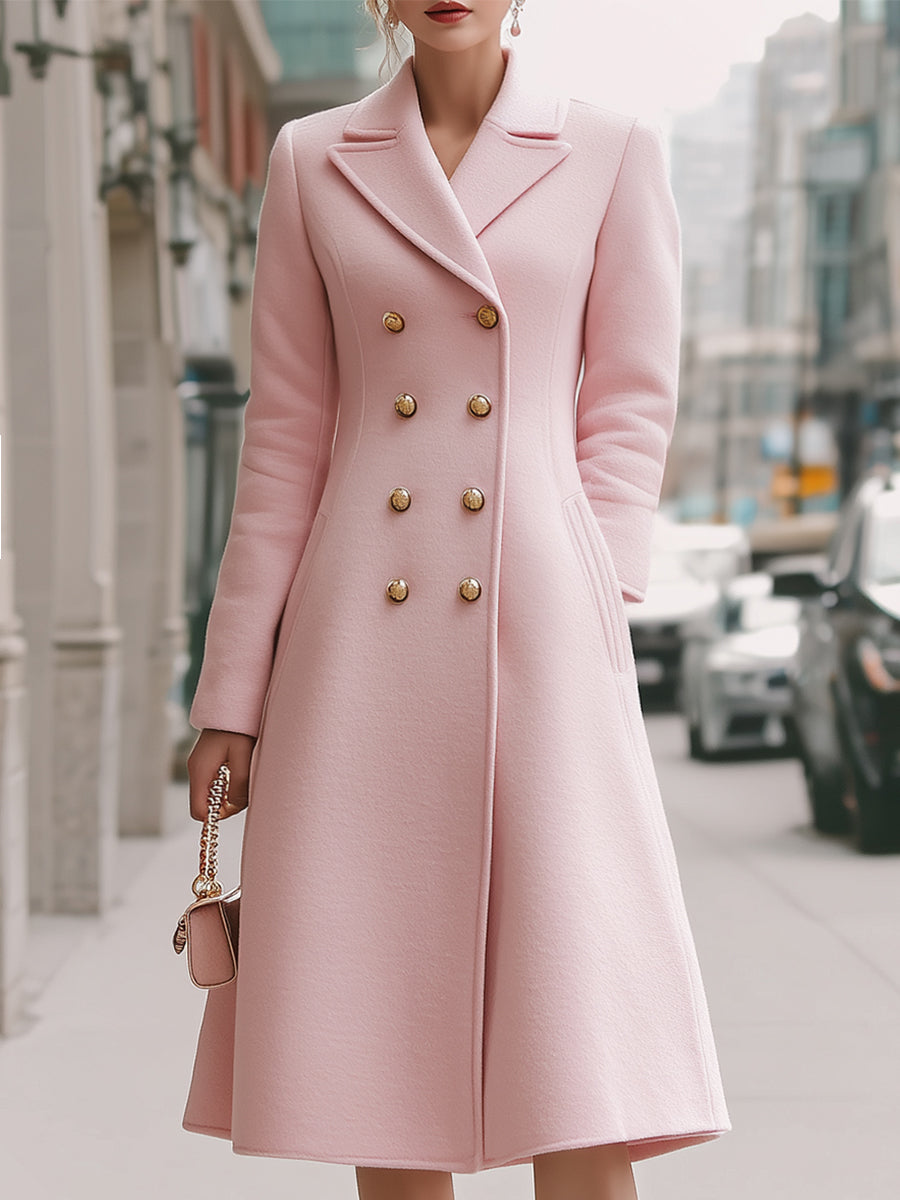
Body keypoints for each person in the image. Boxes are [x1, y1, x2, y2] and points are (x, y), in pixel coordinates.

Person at [181, 3, 732, 1198]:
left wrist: (595, 575)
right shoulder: (312, 158)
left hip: (538, 622)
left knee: (579, 1040)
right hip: (360, 642)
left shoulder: (611, 147)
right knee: (380, 1039)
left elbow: (631, 402)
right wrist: (233, 691)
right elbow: (284, 442)